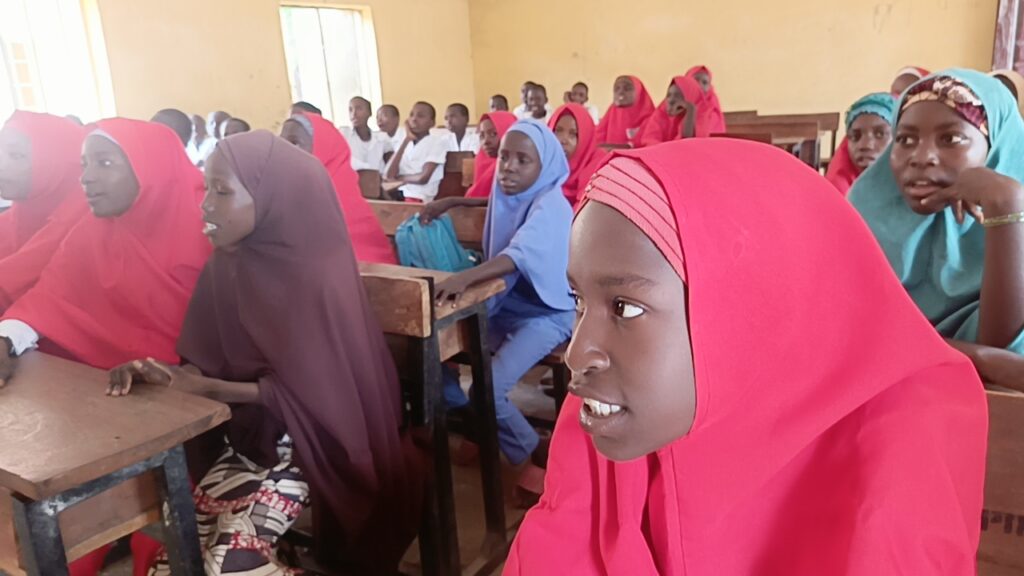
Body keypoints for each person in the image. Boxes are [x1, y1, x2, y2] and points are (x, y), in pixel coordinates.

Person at [505, 139, 987, 575]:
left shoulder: (899, 456)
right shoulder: (611, 420)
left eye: (625, 308)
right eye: (578, 301)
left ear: (749, 310)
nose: (576, 353)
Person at [110, 131, 420, 576]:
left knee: (226, 565)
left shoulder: (316, 272)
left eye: (222, 191)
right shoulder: (227, 264)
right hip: (253, 436)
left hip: (320, 440)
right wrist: (164, 375)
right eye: (206, 188)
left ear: (272, 197)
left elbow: (324, 398)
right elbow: (206, 358)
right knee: (172, 560)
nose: (206, 205)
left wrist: (209, 386)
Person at [0, 118, 211, 576]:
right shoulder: (93, 230)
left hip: (183, 416)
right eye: (83, 164)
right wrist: (6, 336)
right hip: (94, 407)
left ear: (149, 170)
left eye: (105, 162)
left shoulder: (205, 236)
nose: (87, 177)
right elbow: (48, 298)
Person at [422, 119, 574, 504]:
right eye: (505, 156)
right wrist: (452, 200)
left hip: (549, 314)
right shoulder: (512, 196)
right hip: (507, 306)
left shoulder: (553, 205)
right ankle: (478, 425)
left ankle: (528, 458)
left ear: (545, 169)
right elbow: (490, 201)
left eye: (523, 160)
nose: (508, 166)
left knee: (491, 385)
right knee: (439, 346)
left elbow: (520, 253)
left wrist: (465, 279)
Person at [850, 69, 1024, 390]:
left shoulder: (1015, 213)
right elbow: (848, 339)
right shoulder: (862, 211)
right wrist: (978, 358)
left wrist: (1006, 205)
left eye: (951, 139)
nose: (922, 157)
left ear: (997, 146)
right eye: (905, 139)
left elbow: (1004, 356)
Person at [0, 112, 89, 310]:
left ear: (54, 163)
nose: (1, 165)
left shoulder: (81, 224)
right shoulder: (12, 218)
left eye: (16, 156)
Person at [280, 112, 396, 263]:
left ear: (324, 148)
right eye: (281, 143)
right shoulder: (287, 193)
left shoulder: (341, 204)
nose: (283, 151)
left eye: (295, 143)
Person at [824, 93, 897, 195]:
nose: (865, 145)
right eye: (855, 136)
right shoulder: (837, 194)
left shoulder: (919, 193)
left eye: (880, 134)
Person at [383, 102, 447, 203]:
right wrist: (406, 140)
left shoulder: (436, 142)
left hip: (419, 198)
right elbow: (388, 175)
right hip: (398, 195)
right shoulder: (404, 143)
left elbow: (422, 178)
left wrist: (400, 178)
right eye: (411, 115)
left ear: (432, 123)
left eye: (420, 116)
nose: (414, 119)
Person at [549, 103, 604, 206]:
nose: (563, 140)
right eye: (558, 131)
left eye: (573, 134)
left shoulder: (597, 166)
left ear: (585, 138)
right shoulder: (541, 162)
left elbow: (584, 215)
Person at [637, 76, 710, 147]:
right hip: (660, 155)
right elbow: (649, 140)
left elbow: (687, 142)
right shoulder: (661, 112)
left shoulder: (700, 113)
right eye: (668, 95)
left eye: (678, 96)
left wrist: (690, 110)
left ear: (690, 96)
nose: (671, 100)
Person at [465, 111, 517, 198]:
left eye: (493, 134)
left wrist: (453, 201)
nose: (486, 141)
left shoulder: (517, 166)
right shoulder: (482, 160)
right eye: (482, 136)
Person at [594, 75, 655, 148]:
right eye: (617, 89)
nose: (620, 92)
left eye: (627, 88)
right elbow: (597, 138)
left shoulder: (651, 118)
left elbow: (643, 144)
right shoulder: (611, 112)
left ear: (639, 93)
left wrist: (614, 149)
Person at [343, 96, 392, 172]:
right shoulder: (345, 135)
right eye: (350, 110)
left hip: (379, 182)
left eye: (359, 108)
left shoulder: (382, 138)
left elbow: (391, 167)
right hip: (353, 182)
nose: (354, 113)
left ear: (369, 112)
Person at [686, 65, 727, 133]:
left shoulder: (713, 112)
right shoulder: (672, 102)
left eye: (704, 83)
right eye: (695, 80)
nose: (699, 85)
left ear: (709, 87)